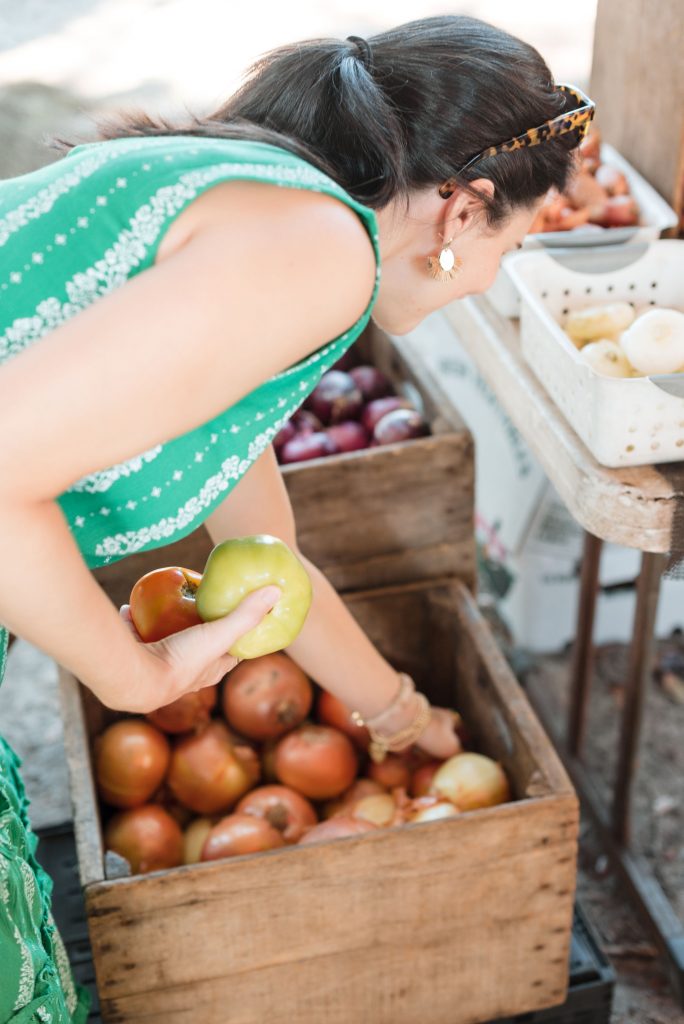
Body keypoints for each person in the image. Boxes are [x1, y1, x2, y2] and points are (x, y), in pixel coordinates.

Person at [0, 13, 594, 1021]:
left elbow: (268, 558)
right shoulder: (321, 256)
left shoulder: (280, 217)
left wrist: (401, 713)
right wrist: (133, 675)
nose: (497, 276)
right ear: (465, 213)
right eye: (521, 241)